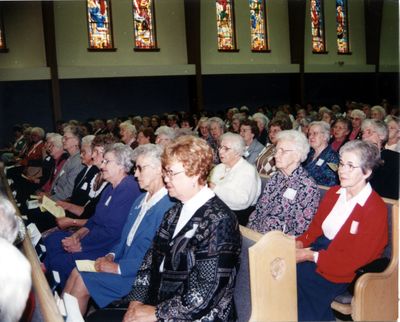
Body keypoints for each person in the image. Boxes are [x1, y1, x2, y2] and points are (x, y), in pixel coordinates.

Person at [86, 135, 241, 322]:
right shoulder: (174, 212)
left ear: (196, 173)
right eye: (165, 172)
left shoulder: (219, 220)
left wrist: (157, 313)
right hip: (161, 304)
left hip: (198, 316)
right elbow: (148, 262)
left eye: (171, 173)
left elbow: (205, 292)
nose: (165, 178)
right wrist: (136, 302)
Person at [63, 144, 175, 315]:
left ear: (159, 169)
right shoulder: (140, 200)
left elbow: (157, 259)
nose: (135, 174)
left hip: (139, 276)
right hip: (122, 263)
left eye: (140, 168)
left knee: (82, 281)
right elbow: (124, 240)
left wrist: (118, 268)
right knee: (76, 271)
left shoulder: (168, 207)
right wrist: (111, 255)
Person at [296, 140, 388, 321]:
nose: (342, 170)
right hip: (321, 250)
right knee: (279, 267)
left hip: (346, 267)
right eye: (342, 163)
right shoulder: (334, 193)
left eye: (351, 166)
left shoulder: (374, 208)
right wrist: (298, 244)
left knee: (298, 277)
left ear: (367, 172)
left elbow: (356, 258)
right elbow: (315, 229)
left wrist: (310, 256)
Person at [43, 143, 141, 288]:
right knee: (53, 239)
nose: (102, 166)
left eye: (107, 162)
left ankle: (51, 293)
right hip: (93, 239)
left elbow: (113, 233)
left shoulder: (129, 189)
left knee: (61, 261)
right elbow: (94, 219)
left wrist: (81, 246)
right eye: (103, 161)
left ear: (121, 165)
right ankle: (45, 274)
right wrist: (76, 237)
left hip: (106, 248)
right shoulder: (110, 187)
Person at [248, 130, 320, 236]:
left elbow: (301, 230)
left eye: (283, 151)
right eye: (276, 150)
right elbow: (259, 210)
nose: (276, 155)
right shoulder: (275, 178)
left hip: (279, 242)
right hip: (257, 234)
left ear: (297, 155)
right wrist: (250, 230)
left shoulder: (307, 186)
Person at [209, 132, 261, 225]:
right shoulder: (219, 167)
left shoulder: (248, 170)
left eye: (226, 149)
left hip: (236, 216)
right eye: (220, 147)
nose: (220, 151)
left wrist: (215, 188)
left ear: (237, 152)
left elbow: (242, 202)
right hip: (217, 210)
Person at [361, 119, 400, 199]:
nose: (364, 136)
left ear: (381, 136)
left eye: (369, 132)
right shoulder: (358, 157)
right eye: (363, 132)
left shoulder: (393, 159)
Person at [303, 121, 339, 186]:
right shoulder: (308, 153)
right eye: (309, 134)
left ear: (325, 136)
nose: (311, 137)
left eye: (315, 133)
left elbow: (332, 183)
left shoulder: (333, 157)